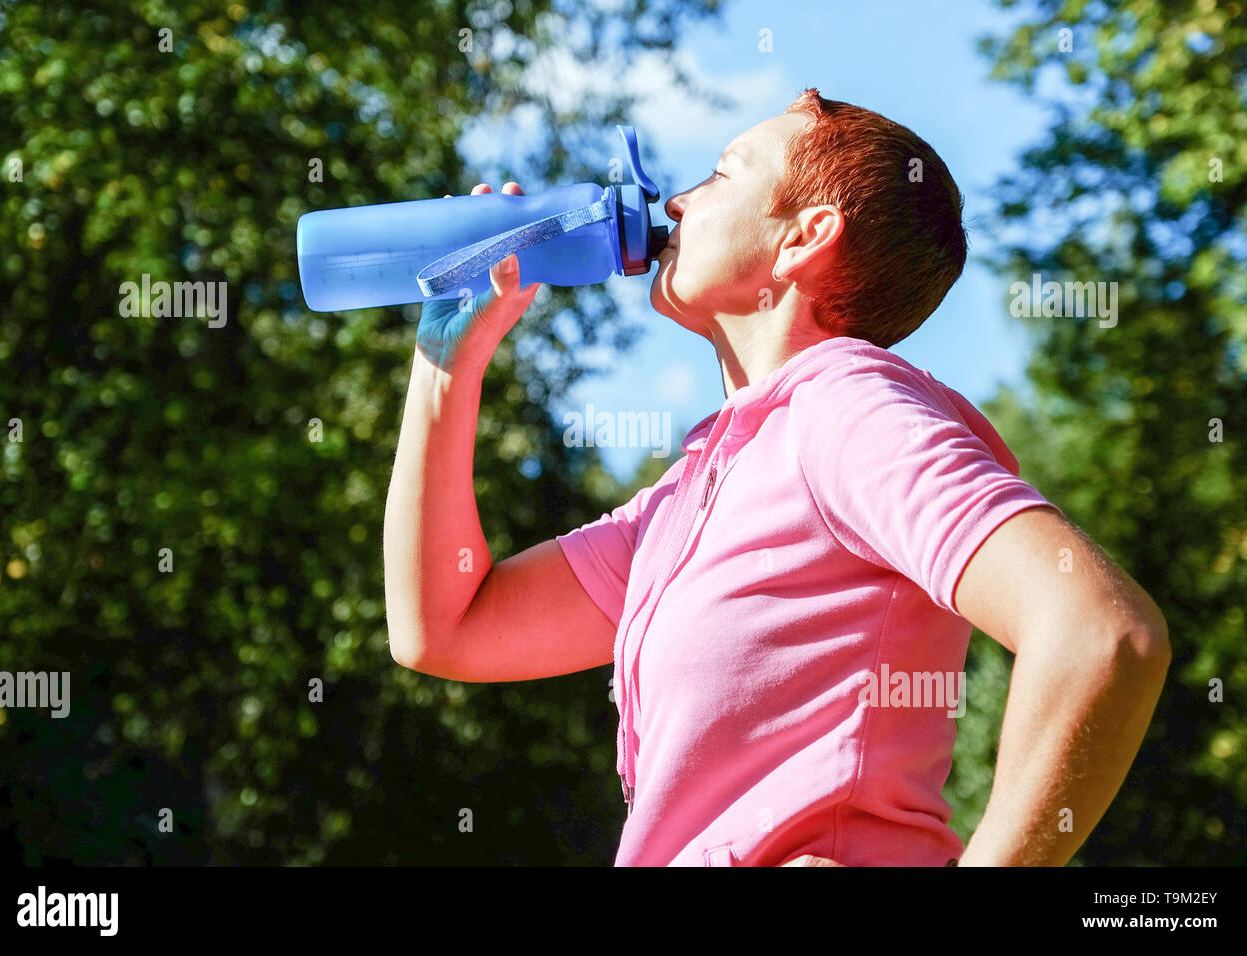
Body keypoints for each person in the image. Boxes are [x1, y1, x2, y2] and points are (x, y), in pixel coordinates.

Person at [383, 88, 1171, 867]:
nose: (678, 202)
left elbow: (1098, 633)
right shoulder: (697, 487)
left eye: (721, 175)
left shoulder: (845, 408)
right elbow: (446, 626)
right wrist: (447, 367)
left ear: (804, 238)